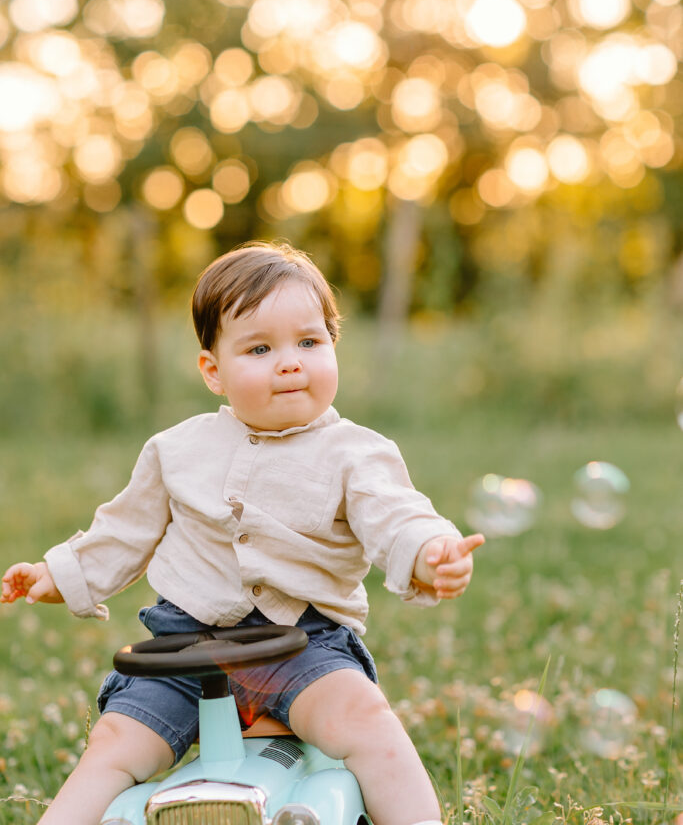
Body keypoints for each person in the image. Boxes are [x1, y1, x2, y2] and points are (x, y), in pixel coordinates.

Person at [2, 241, 484, 825]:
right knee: (114, 744)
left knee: (367, 723)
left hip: (303, 645)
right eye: (260, 348)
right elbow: (124, 532)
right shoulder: (176, 450)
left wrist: (430, 552)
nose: (290, 363)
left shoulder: (355, 454)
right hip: (184, 648)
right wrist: (59, 575)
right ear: (214, 371)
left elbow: (396, 515)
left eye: (309, 342)